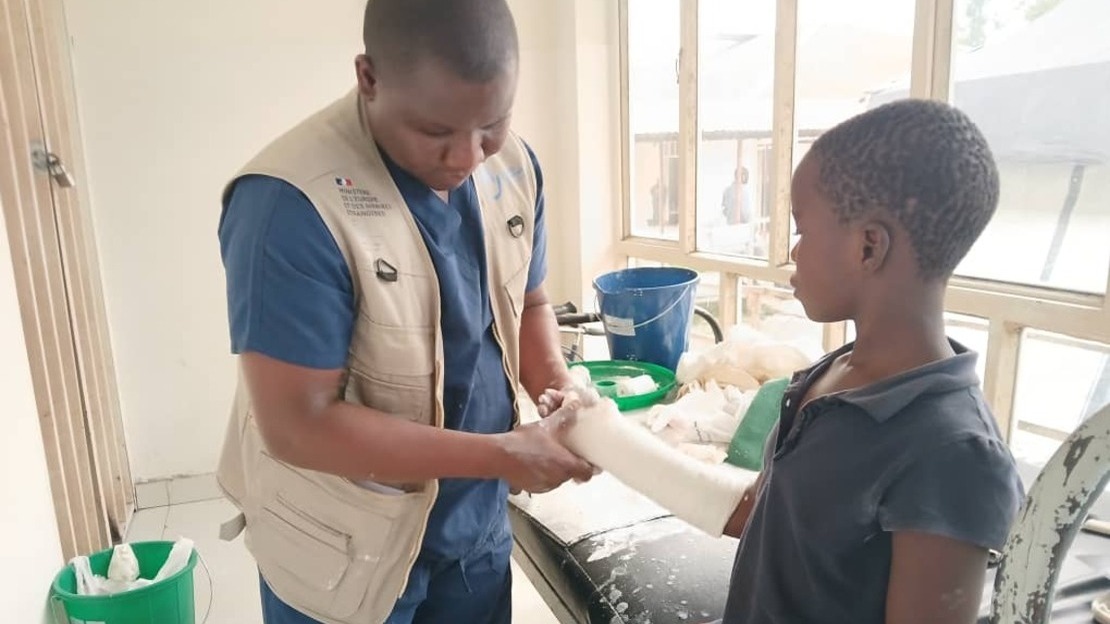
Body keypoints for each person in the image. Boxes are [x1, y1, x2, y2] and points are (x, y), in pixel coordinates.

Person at [214, 1, 593, 623]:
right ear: (369, 78)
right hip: (342, 546)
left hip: (471, 529)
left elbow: (529, 301)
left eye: (491, 124)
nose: (469, 157)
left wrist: (558, 390)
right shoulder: (289, 204)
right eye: (436, 132)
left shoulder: (514, 167)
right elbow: (297, 425)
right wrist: (502, 455)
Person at [717, 100, 1025, 623]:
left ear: (868, 247)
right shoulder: (832, 375)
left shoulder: (954, 454)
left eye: (801, 228)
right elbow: (778, 533)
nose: (794, 251)